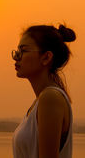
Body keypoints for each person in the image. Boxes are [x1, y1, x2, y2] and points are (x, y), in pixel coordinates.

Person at [12, 24, 76, 158]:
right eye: (17, 51)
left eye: (23, 51)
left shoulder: (50, 98)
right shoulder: (40, 101)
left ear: (46, 57)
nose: (16, 57)